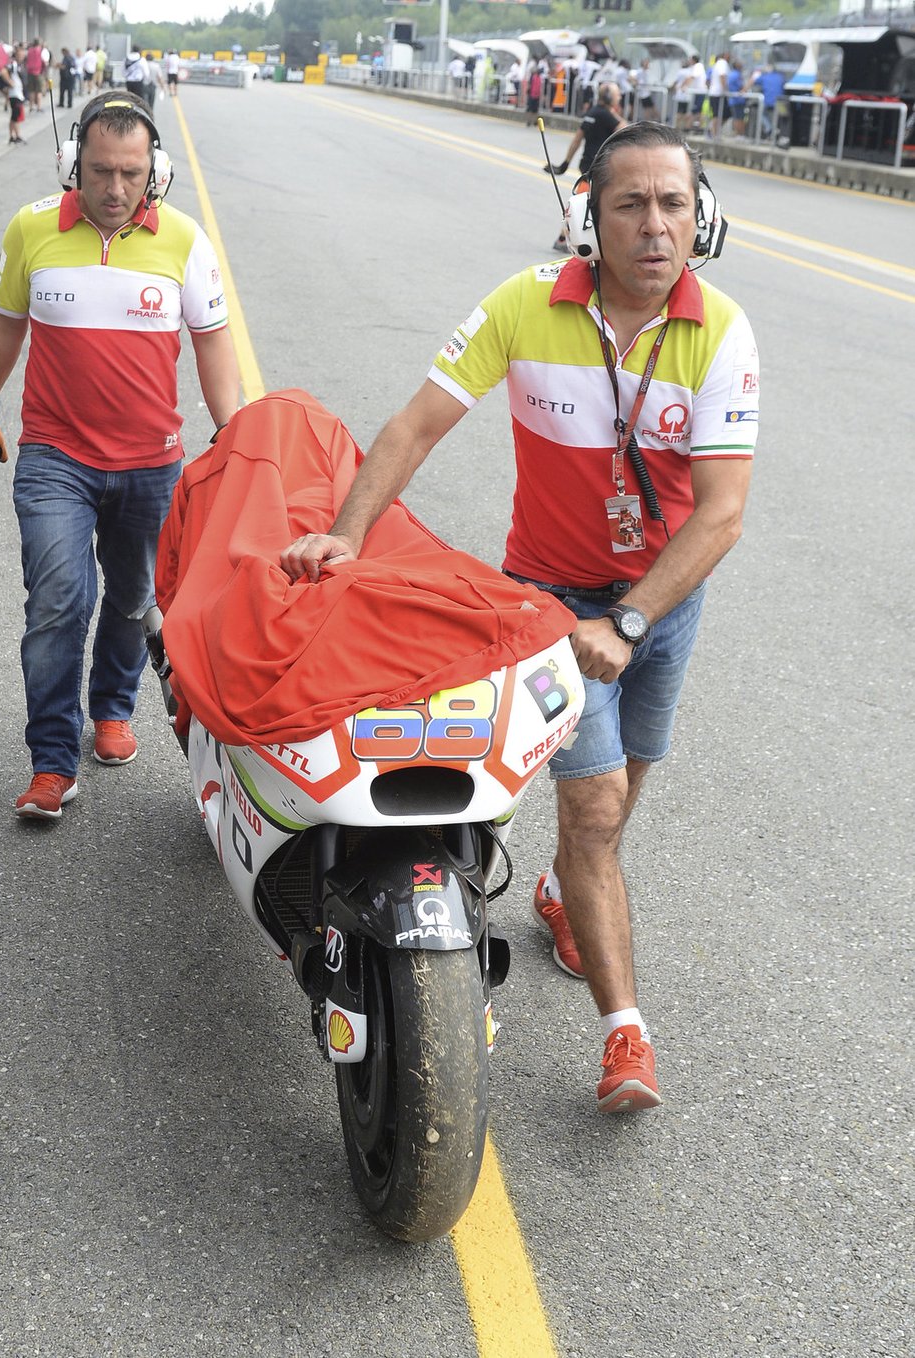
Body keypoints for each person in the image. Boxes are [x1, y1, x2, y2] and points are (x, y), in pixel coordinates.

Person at [280, 122, 759, 1114]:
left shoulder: (723, 332)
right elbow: (415, 424)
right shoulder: (523, 307)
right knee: (590, 812)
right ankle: (627, 1032)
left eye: (673, 203)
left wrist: (631, 621)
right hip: (550, 604)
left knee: (621, 797)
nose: (654, 225)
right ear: (591, 219)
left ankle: (567, 889)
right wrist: (348, 537)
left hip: (661, 603)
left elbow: (721, 513)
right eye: (630, 204)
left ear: (701, 217)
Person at [0, 90, 241, 820]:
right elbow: (4, 326)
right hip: (56, 456)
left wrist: (238, 435)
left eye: (131, 173)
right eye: (100, 171)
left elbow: (213, 347)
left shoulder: (183, 240)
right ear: (71, 164)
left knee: (132, 597)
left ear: (156, 173)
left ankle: (113, 708)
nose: (115, 190)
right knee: (59, 601)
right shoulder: (32, 230)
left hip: (153, 464)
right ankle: (52, 761)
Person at [545, 83, 626, 252]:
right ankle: (565, 238)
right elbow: (626, 131)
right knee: (590, 205)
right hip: (599, 167)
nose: (620, 98)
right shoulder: (606, 116)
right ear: (610, 98)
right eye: (618, 95)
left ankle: (565, 237)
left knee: (586, 204)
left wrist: (565, 163)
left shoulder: (591, 113)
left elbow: (577, 139)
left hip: (587, 165)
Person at [0, 44, 26, 143]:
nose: (22, 57)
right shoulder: (13, 64)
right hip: (14, 94)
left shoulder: (19, 65)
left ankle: (12, 136)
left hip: (19, 93)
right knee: (16, 115)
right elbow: (3, 71)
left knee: (15, 116)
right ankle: (16, 135)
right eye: (20, 55)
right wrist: (10, 82)